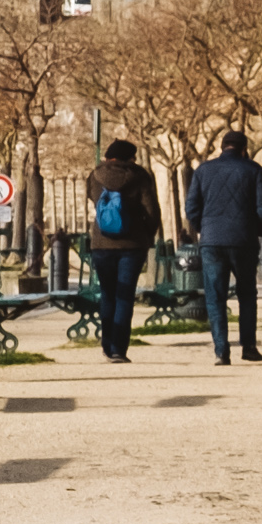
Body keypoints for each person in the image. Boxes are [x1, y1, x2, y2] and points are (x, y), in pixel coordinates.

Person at [190, 130, 262, 365]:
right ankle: (248, 347)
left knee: (215, 297)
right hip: (243, 241)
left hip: (211, 241)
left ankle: (221, 351)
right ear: (243, 149)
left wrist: (204, 227)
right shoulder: (254, 170)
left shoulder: (203, 171)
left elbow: (191, 207)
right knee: (247, 295)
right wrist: (257, 228)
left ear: (222, 147)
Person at [83, 138, 163, 363]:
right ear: (130, 157)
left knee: (108, 294)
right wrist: (146, 234)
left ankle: (106, 346)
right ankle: (119, 349)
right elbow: (151, 210)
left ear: (109, 156)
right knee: (125, 296)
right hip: (132, 244)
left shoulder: (95, 176)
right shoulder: (140, 176)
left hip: (102, 243)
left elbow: (92, 199)